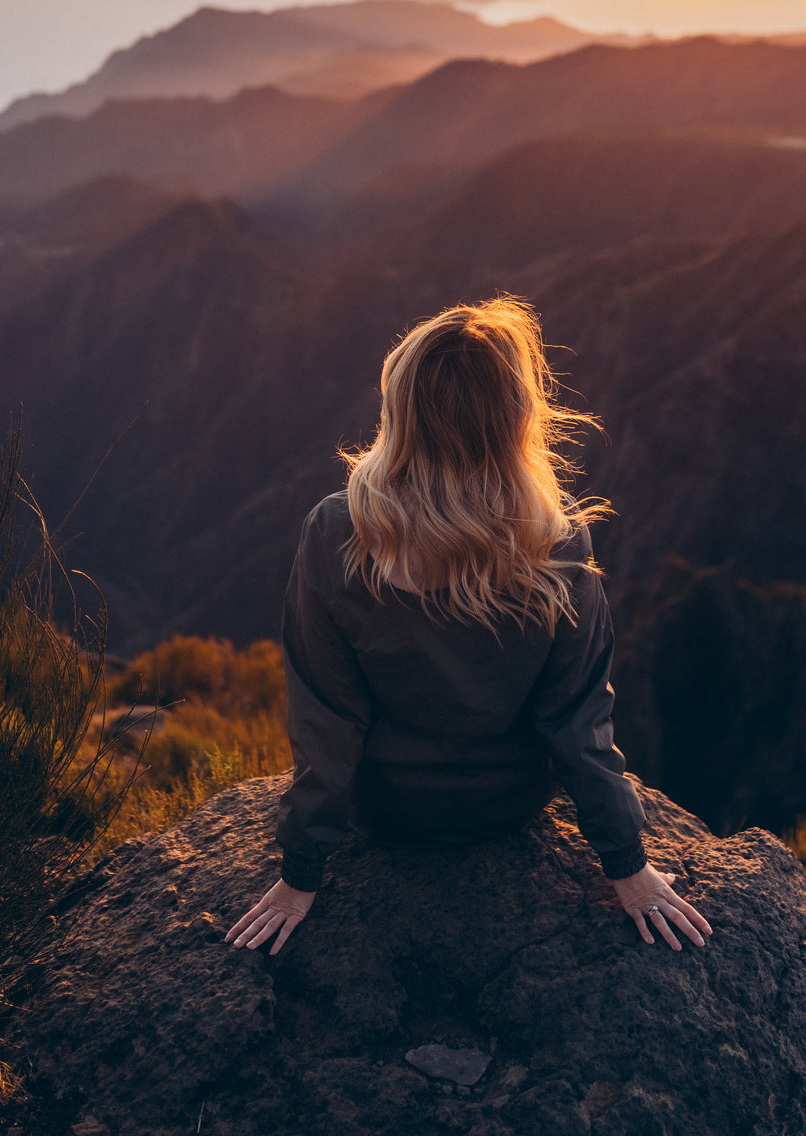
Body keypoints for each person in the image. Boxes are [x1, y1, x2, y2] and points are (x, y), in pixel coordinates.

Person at [226, 297, 711, 958]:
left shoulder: (338, 532)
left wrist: (300, 874)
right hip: (508, 808)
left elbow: (326, 721)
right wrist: (627, 864)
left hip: (383, 814)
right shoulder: (556, 538)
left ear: (401, 413)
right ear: (516, 418)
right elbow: (578, 721)